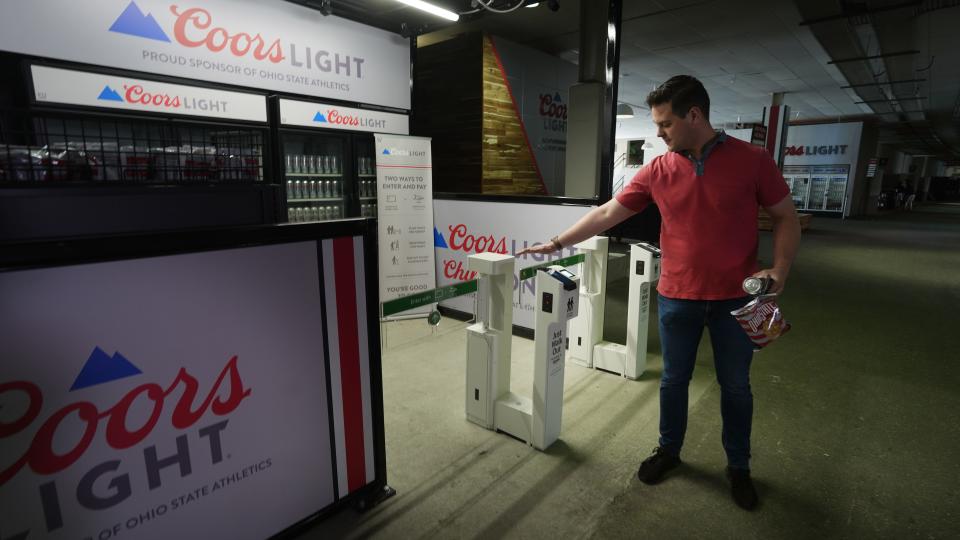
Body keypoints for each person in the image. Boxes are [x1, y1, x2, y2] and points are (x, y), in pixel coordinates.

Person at [518, 75, 801, 511]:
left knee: (736, 387)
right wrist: (558, 242)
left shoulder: (753, 160)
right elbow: (611, 211)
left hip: (738, 299)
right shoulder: (658, 169)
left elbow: (786, 216)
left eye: (665, 123)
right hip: (676, 296)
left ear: (694, 115)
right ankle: (669, 451)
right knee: (673, 381)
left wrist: (779, 268)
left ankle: (739, 467)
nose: (658, 132)